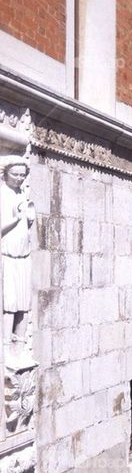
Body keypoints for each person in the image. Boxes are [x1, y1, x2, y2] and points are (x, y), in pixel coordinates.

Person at [1, 155, 35, 365]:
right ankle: (5, 349)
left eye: (23, 175)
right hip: (8, 256)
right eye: (16, 175)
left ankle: (20, 347)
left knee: (23, 303)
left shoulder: (22, 193)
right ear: (5, 173)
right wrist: (15, 217)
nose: (20, 179)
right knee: (9, 303)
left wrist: (28, 218)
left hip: (23, 255)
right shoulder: (2, 195)